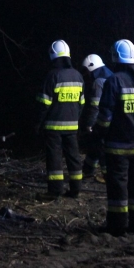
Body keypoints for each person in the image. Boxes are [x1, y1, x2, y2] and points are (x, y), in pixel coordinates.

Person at [95, 39, 134, 236]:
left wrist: (99, 135)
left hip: (116, 146)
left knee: (118, 185)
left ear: (116, 57)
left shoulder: (114, 81)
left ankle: (117, 226)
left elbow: (105, 116)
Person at [33, 39, 85, 198]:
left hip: (53, 126)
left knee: (54, 158)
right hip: (72, 125)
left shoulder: (52, 75)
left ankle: (55, 191)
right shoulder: (78, 75)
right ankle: (76, 189)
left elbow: (44, 103)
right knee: (73, 157)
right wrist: (75, 119)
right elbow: (82, 103)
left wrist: (37, 123)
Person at [80, 53, 113, 181]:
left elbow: (95, 106)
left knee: (100, 145)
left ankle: (107, 175)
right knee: (95, 144)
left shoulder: (98, 82)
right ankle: (88, 170)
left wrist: (89, 124)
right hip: (113, 119)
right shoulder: (111, 76)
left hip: (103, 120)